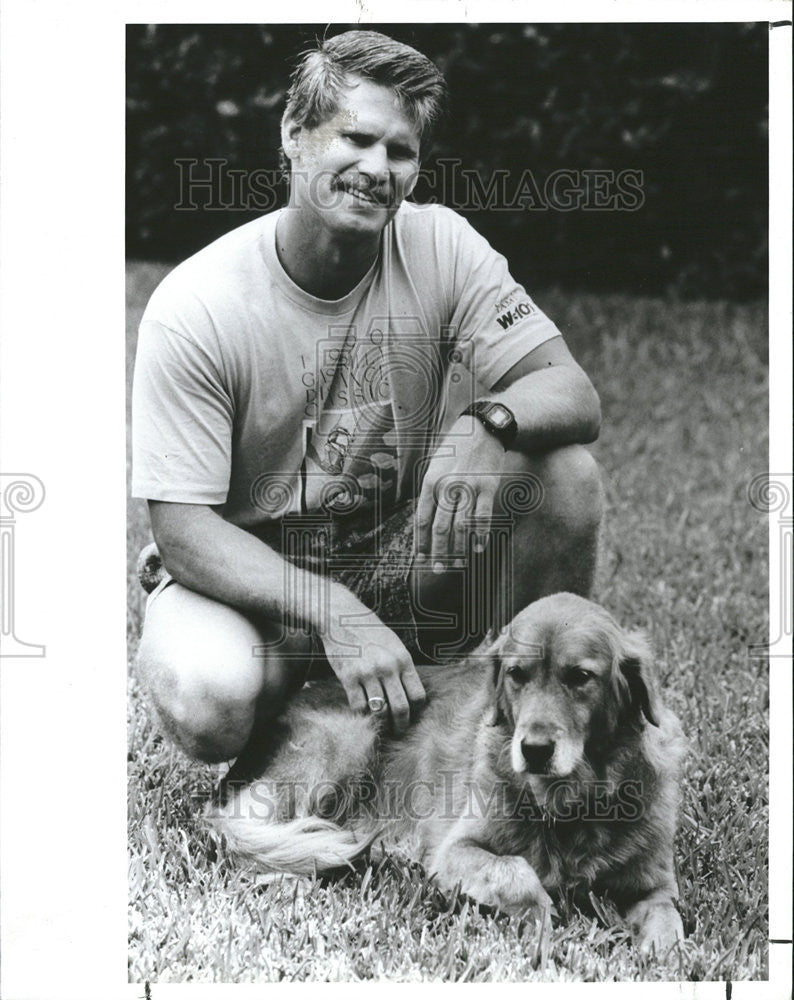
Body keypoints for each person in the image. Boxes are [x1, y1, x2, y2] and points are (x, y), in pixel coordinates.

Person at [131, 30, 603, 770]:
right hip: (260, 581)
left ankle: (511, 732)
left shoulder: (442, 245)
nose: (378, 168)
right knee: (208, 693)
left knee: (565, 476)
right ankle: (300, 737)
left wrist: (491, 422)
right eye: (356, 138)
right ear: (294, 135)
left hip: (401, 554)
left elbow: (573, 391)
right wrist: (333, 612)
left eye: (401, 150)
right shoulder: (197, 304)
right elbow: (183, 527)